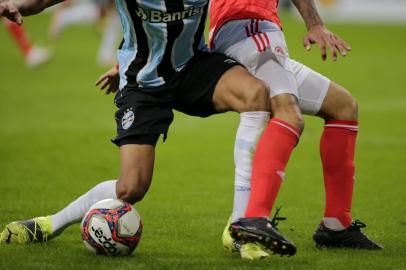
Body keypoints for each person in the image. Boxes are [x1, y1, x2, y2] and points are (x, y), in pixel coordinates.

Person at [0, 0, 273, 257]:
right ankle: (48, 224)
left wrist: (310, 23)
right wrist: (17, 4)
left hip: (193, 66)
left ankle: (241, 226)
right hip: (143, 83)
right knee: (131, 188)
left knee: (255, 94)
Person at [209, 0, 383, 259]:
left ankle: (336, 225)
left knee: (343, 107)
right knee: (288, 114)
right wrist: (315, 24)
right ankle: (253, 218)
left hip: (252, 30)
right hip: (249, 26)